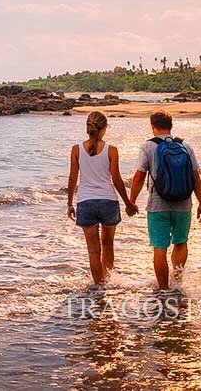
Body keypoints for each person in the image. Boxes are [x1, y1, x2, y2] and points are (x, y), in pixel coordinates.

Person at [128, 109, 201, 291]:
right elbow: (195, 177)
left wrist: (131, 201)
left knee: (160, 248)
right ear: (171, 126)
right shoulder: (185, 146)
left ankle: (164, 290)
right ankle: (177, 284)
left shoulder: (148, 147)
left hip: (158, 205)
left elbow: (139, 177)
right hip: (183, 203)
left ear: (152, 126)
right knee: (180, 242)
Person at [67, 111, 137, 287]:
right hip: (108, 202)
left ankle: (98, 289)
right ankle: (108, 283)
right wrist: (128, 203)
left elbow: (72, 179)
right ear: (104, 128)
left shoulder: (76, 149)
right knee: (108, 245)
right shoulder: (111, 150)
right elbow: (117, 180)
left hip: (85, 202)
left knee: (93, 250)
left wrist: (69, 203)